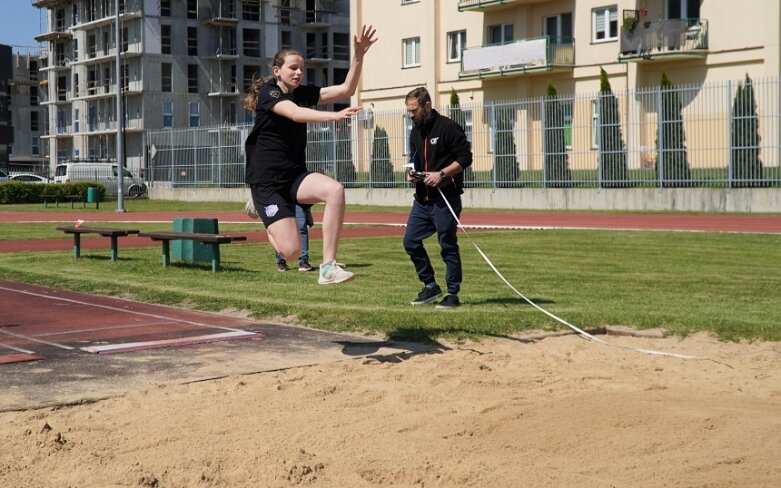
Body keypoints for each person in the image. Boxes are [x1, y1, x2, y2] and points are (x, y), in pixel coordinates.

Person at [242, 25, 377, 285]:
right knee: (291, 252)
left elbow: (346, 90)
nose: (299, 72)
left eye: (301, 68)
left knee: (335, 190)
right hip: (267, 181)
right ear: (277, 71)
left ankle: (328, 268)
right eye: (293, 67)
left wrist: (359, 55)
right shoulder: (270, 94)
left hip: (293, 175)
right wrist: (334, 115)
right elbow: (295, 113)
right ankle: (262, 211)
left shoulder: (301, 92)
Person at [403, 87, 473, 309]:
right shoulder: (415, 131)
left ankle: (453, 294)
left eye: (414, 111)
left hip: (446, 200)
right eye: (408, 111)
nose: (411, 115)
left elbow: (465, 158)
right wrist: (412, 173)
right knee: (410, 242)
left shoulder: (449, 127)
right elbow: (414, 158)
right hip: (422, 201)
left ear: (427, 105)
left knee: (447, 245)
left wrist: (442, 174)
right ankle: (431, 286)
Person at [275, 205, 314, 272]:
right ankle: (281, 262)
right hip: (280, 199)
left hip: (296, 200)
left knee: (301, 228)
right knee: (280, 229)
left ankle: (303, 262)